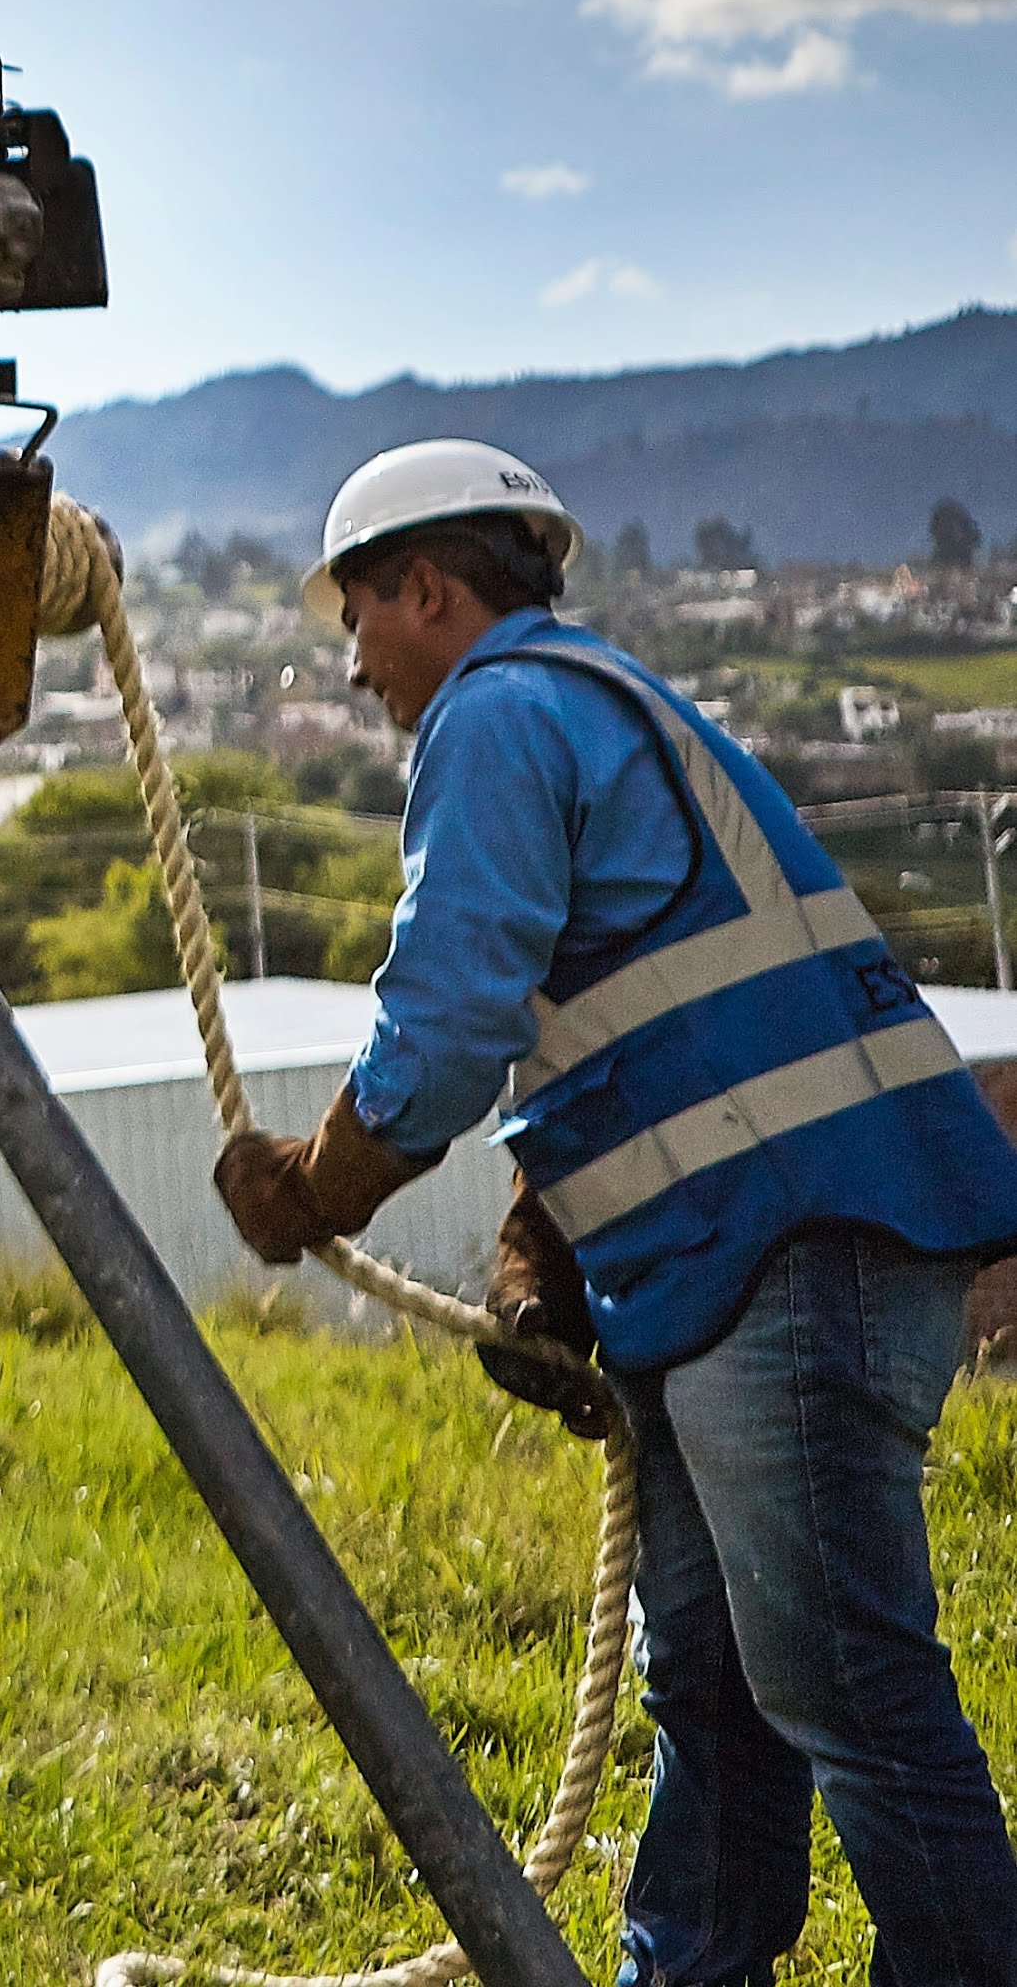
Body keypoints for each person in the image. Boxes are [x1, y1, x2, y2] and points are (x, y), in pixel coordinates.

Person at [212, 439, 1017, 1987]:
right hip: (753, 1249)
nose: (354, 663)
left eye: (356, 618)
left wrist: (311, 1189)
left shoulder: (495, 712)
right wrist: (546, 1240)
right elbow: (624, 1017)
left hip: (786, 1247)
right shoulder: (597, 702)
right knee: (707, 1677)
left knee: (842, 1687)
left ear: (425, 589)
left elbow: (449, 1021)